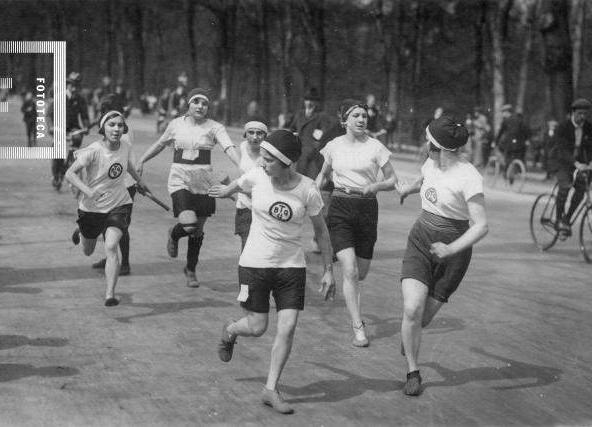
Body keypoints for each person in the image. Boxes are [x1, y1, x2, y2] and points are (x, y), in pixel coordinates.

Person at [209, 129, 336, 415]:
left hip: (291, 267)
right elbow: (238, 185)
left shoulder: (307, 189)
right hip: (254, 263)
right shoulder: (257, 176)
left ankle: (270, 388)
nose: (262, 163)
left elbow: (322, 232)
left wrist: (329, 270)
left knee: (288, 326)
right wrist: (222, 190)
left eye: (268, 159)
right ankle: (231, 330)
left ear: (285, 162)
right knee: (257, 327)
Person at [395, 116, 489, 396]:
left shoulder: (469, 177)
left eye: (429, 142)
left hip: (454, 254)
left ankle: (410, 334)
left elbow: (482, 225)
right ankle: (413, 372)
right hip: (421, 241)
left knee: (421, 319)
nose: (426, 145)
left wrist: (451, 249)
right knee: (412, 310)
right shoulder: (431, 163)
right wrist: (408, 189)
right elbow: (425, 179)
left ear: (441, 148)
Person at [316, 99, 399, 348]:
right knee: (350, 270)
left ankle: (347, 272)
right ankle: (358, 326)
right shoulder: (333, 146)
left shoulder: (376, 146)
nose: (362, 120)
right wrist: (311, 190)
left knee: (360, 273)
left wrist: (376, 185)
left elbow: (392, 178)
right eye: (356, 116)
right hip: (340, 206)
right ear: (345, 120)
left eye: (364, 115)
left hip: (366, 209)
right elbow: (324, 173)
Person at [138, 88, 240, 288]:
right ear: (188, 104)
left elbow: (229, 148)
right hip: (180, 179)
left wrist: (242, 166)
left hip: (204, 180)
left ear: (208, 107)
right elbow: (160, 144)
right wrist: (142, 160)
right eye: (196, 102)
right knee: (189, 223)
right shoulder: (176, 124)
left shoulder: (215, 127)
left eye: (204, 103)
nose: (200, 106)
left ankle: (191, 269)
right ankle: (174, 234)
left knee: (198, 230)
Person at [65, 110, 147, 306]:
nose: (117, 129)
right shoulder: (93, 150)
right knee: (88, 250)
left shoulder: (125, 144)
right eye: (112, 125)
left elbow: (127, 163)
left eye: (120, 125)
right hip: (92, 208)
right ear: (103, 129)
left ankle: (110, 294)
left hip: (119, 203)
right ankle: (82, 231)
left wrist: (139, 181)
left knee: (111, 246)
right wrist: (88, 191)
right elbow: (70, 173)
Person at [548, 98, 592, 235]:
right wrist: (576, 164)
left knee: (582, 190)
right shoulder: (562, 127)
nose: (582, 117)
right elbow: (562, 150)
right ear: (573, 112)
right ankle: (558, 220)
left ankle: (567, 220)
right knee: (564, 187)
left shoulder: (589, 127)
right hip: (561, 162)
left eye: (585, 114)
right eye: (580, 113)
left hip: (578, 164)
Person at [49, 72, 90, 191]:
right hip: (59, 128)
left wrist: (86, 126)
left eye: (77, 86)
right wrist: (51, 127)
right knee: (57, 152)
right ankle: (56, 176)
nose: (74, 88)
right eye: (72, 85)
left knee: (76, 142)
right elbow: (48, 114)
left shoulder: (80, 99)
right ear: (67, 85)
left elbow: (84, 115)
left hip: (73, 128)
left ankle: (66, 170)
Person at [234, 119, 267, 249]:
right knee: (246, 247)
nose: (254, 137)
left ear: (265, 136)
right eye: (251, 132)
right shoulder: (242, 147)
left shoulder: (268, 156)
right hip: (244, 207)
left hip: (263, 208)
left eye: (259, 133)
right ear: (245, 134)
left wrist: (232, 187)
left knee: (262, 249)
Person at [286, 87, 333, 179]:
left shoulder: (321, 116)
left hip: (311, 152)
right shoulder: (300, 114)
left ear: (316, 102)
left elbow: (324, 134)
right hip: (297, 148)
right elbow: (292, 129)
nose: (309, 103)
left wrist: (316, 143)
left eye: (312, 100)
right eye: (307, 100)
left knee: (305, 177)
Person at [495, 104, 530, 178]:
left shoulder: (505, 121)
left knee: (504, 153)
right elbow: (527, 130)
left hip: (509, 143)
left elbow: (501, 132)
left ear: (507, 112)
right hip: (519, 143)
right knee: (516, 156)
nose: (503, 114)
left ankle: (506, 171)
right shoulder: (519, 119)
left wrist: (495, 141)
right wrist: (527, 139)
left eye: (503, 112)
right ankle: (517, 169)